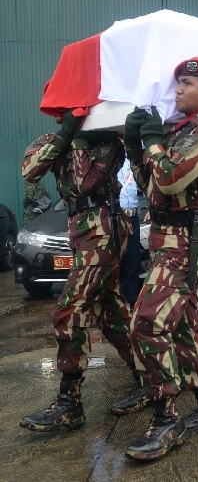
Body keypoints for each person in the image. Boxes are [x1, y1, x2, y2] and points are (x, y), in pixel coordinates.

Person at [123, 57, 198, 460]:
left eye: (186, 83)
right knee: (185, 324)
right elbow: (151, 184)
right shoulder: (182, 133)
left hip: (188, 237)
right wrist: (137, 146)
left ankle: (166, 418)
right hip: (169, 234)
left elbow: (171, 178)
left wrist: (152, 141)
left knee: (148, 325)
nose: (176, 90)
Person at [19, 110, 147, 433]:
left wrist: (76, 141)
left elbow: (81, 182)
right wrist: (65, 136)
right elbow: (30, 170)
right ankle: (150, 376)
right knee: (112, 314)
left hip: (103, 232)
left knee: (69, 310)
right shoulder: (56, 140)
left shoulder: (108, 143)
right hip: (81, 235)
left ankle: (69, 402)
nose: (67, 116)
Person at [118, 157, 142, 308]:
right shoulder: (110, 163)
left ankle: (131, 300)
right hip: (114, 217)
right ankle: (115, 301)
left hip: (133, 216)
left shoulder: (134, 162)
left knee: (132, 259)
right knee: (114, 260)